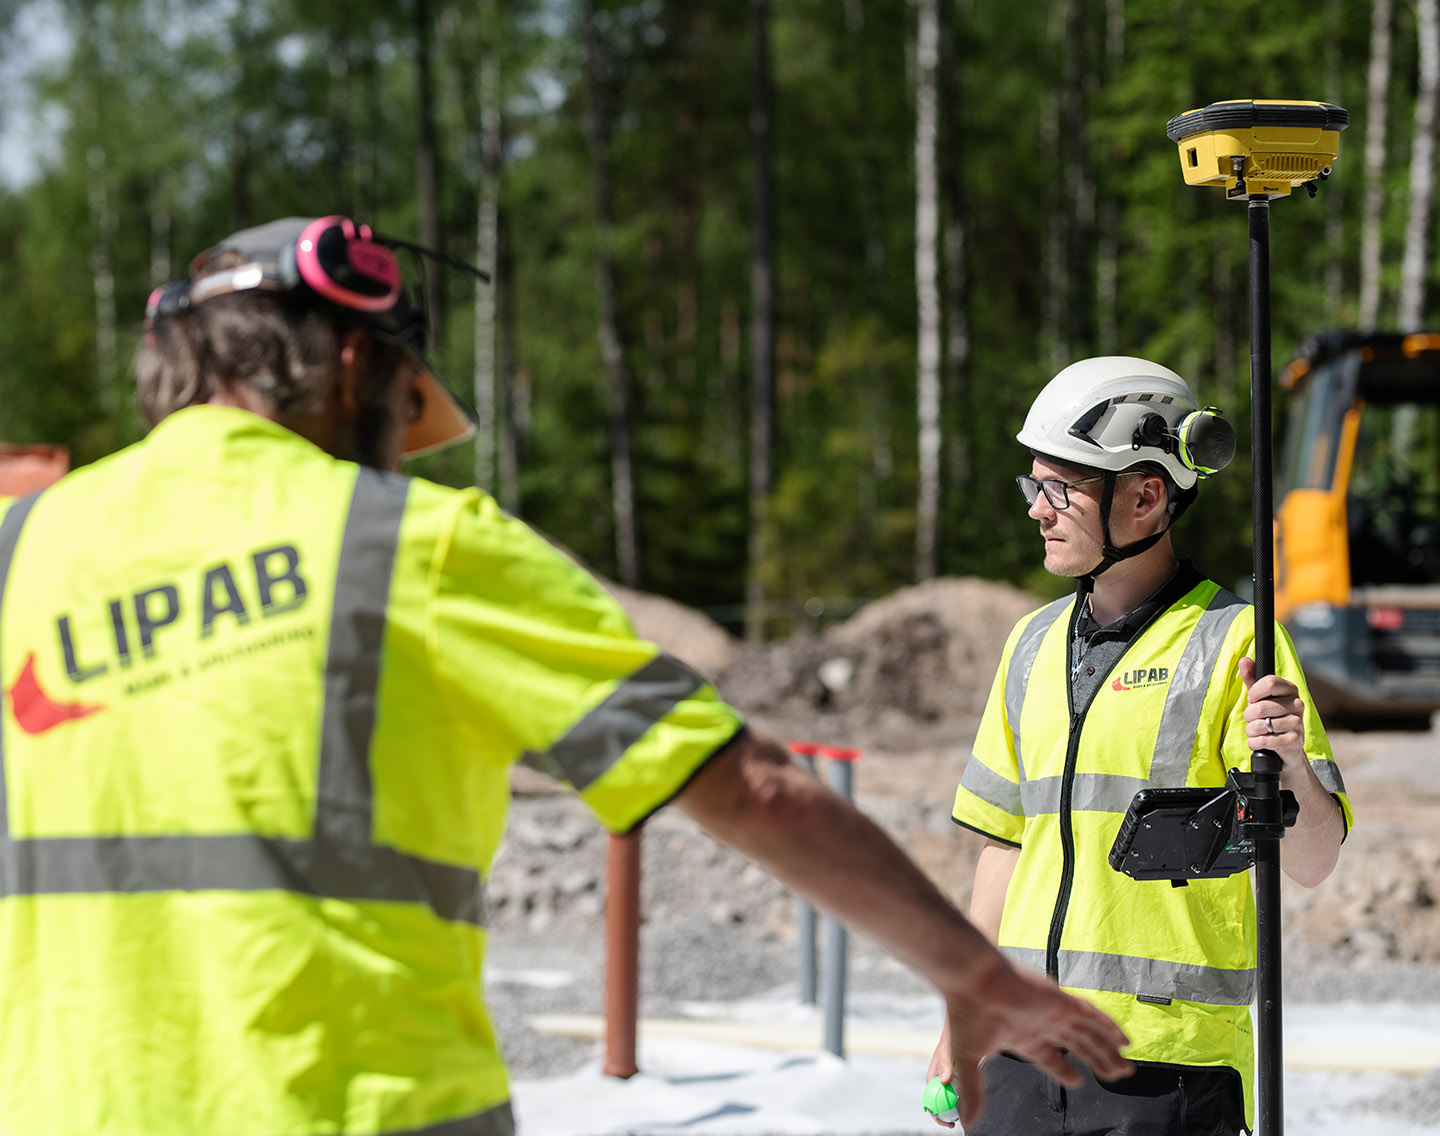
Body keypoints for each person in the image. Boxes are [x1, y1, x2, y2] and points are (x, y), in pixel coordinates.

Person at [0, 216, 1131, 1136]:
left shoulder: (22, 549)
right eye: (403, 405)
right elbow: (750, 788)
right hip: (355, 1106)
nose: (402, 437)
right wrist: (970, 970)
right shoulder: (407, 542)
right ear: (354, 358)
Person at [926, 356, 1353, 1136]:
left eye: (1059, 489)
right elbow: (1003, 850)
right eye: (1034, 486)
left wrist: (1290, 761)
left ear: (1146, 495)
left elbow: (1316, 862)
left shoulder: (1237, 645)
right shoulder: (1029, 644)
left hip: (1165, 1071)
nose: (1037, 511)